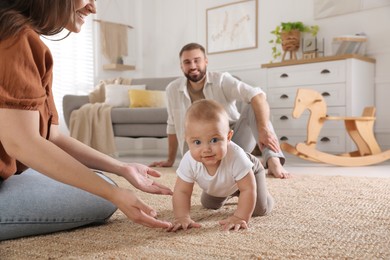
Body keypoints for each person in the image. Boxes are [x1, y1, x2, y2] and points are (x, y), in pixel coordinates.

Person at [0, 0, 172, 241]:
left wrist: (122, 168)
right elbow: (21, 143)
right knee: (101, 196)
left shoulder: (19, 34)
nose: (93, 8)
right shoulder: (16, 38)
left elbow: (52, 137)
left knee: (99, 181)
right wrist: (113, 194)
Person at [150, 42, 290, 179]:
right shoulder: (172, 89)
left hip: (230, 141)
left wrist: (263, 129)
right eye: (187, 62)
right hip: (197, 149)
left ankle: (273, 161)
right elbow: (172, 126)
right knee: (207, 167)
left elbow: (257, 95)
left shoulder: (221, 80)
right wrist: (170, 160)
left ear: (206, 61)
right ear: (181, 67)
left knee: (253, 105)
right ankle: (244, 163)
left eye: (197, 60)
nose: (192, 66)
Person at [167, 100, 274, 232]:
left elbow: (248, 188)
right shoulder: (189, 160)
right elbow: (182, 191)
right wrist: (182, 217)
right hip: (228, 180)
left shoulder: (237, 157)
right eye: (197, 142)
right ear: (187, 140)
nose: (206, 149)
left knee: (259, 209)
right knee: (209, 204)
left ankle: (265, 195)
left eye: (214, 140)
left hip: (251, 172)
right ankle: (233, 191)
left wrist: (240, 217)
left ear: (228, 137)